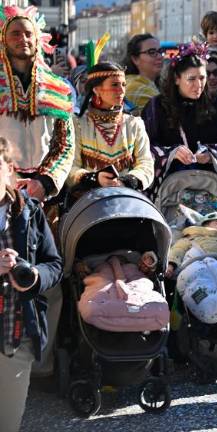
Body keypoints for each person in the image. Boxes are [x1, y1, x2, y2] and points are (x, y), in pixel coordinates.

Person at [0, 6, 74, 380]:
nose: (23, 39)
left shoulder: (58, 88)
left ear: (38, 38)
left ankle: (39, 363)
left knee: (48, 277)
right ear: (3, 39)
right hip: (2, 194)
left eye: (28, 33)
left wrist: (44, 183)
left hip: (43, 199)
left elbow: (65, 144)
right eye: (15, 33)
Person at [0, 137, 63, 432]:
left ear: (9, 168)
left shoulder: (30, 211)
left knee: (7, 423)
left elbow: (54, 265)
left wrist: (35, 276)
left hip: (15, 337)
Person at [141, 42, 217, 197]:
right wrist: (171, 154)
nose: (198, 85)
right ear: (176, 79)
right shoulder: (156, 107)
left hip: (210, 190)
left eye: (202, 78)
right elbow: (143, 148)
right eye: (191, 79)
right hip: (168, 192)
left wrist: (211, 155)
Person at [68, 62, 154, 196]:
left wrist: (127, 181)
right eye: (115, 85)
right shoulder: (77, 123)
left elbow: (146, 164)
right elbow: (69, 166)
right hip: (87, 199)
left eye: (123, 85)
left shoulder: (134, 124)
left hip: (126, 197)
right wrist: (95, 178)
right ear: (96, 89)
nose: (122, 91)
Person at [123, 33, 163, 115]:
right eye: (152, 52)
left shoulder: (128, 81)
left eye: (160, 51)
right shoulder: (137, 89)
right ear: (135, 59)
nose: (160, 56)